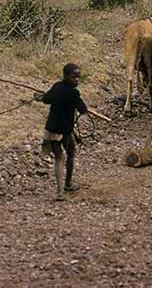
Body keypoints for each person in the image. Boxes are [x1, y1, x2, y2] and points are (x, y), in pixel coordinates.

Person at [38, 63, 88, 201]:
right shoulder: (73, 93)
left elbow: (45, 99)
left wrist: (45, 95)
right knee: (70, 153)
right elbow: (83, 110)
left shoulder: (57, 86)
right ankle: (67, 185)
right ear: (66, 76)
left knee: (59, 158)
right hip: (64, 131)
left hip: (51, 130)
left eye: (78, 77)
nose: (77, 80)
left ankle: (60, 192)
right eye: (74, 77)